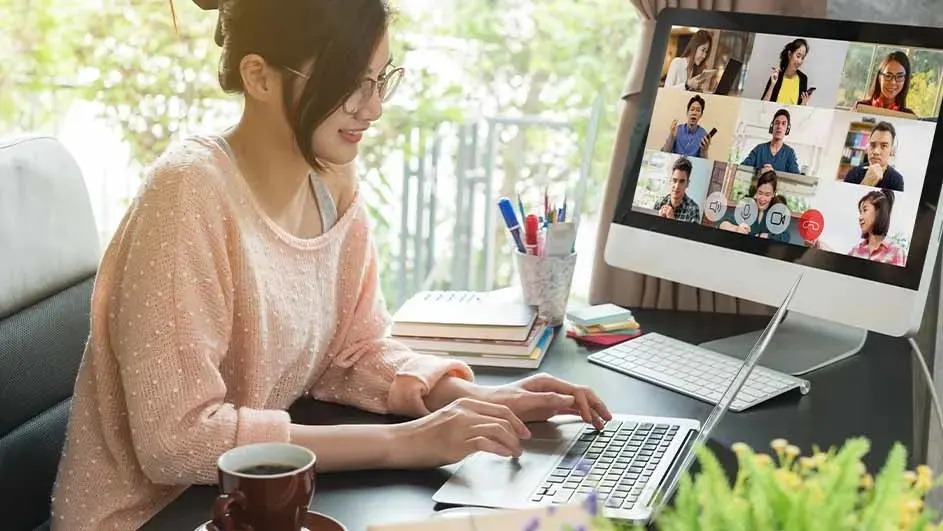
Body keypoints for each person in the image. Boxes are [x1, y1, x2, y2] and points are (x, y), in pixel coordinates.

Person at [49, 1, 612, 529]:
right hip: (156, 513)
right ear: (259, 76)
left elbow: (351, 351)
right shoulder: (186, 194)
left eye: (380, 78)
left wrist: (472, 399)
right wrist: (409, 442)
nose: (374, 106)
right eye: (351, 81)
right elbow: (177, 440)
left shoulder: (330, 182)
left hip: (251, 501)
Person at [808, 190, 905, 266]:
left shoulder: (896, 252)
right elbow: (840, 263)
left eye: (865, 210)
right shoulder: (856, 250)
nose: (860, 217)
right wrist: (818, 244)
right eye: (860, 212)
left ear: (879, 212)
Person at [717, 169, 790, 242]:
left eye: (767, 195)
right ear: (756, 191)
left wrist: (767, 236)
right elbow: (722, 223)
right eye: (760, 193)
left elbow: (785, 237)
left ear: (773, 194)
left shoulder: (778, 211)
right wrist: (736, 228)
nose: (762, 199)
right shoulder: (748, 206)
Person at [842, 121, 904, 191]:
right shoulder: (854, 173)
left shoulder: (896, 179)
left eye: (884, 146)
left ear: (891, 150)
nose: (876, 152)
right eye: (873, 145)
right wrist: (865, 184)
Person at [853, 50, 916, 116]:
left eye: (899, 76)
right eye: (888, 76)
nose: (893, 82)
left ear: (905, 81)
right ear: (880, 77)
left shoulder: (908, 116)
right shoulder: (860, 108)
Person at [740, 109, 800, 174]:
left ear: (787, 129)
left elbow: (796, 177)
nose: (779, 126)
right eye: (777, 123)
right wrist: (760, 171)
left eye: (783, 124)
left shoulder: (789, 153)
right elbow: (742, 168)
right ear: (772, 126)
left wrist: (772, 174)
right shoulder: (759, 149)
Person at [761, 38, 812, 105]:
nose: (800, 61)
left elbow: (799, 110)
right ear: (790, 54)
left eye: (802, 58)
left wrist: (804, 103)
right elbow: (763, 105)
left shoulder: (803, 79)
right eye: (798, 56)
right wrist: (772, 84)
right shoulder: (777, 75)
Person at [653, 156, 701, 222]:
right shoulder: (659, 203)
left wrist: (672, 221)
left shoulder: (693, 209)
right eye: (674, 180)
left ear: (687, 184)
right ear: (670, 180)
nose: (677, 186)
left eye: (681, 181)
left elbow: (691, 233)